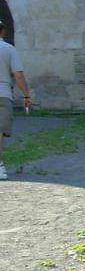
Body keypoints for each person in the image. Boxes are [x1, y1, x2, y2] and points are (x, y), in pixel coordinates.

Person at [0, 21, 31, 180]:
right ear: (2, 32)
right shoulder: (9, 49)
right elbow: (18, 75)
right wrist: (26, 95)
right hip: (3, 92)